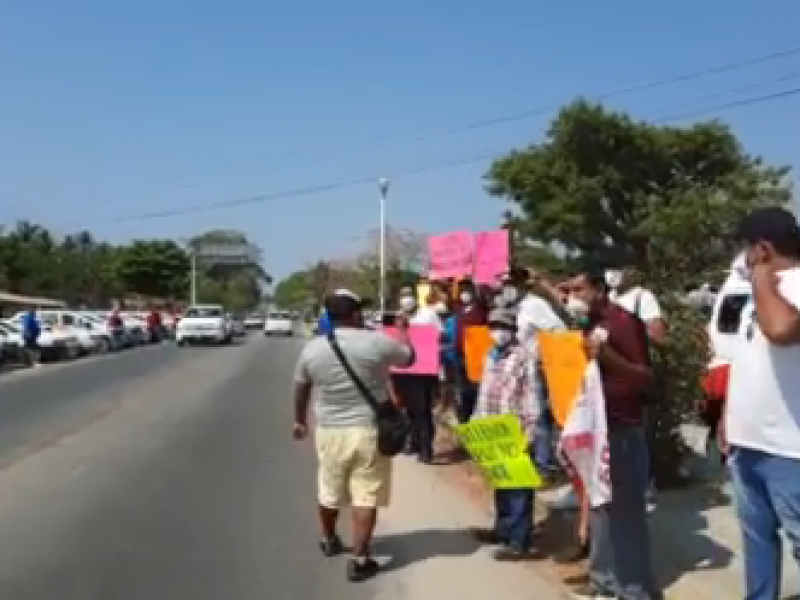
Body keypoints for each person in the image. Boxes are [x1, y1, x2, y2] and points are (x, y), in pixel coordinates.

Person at [292, 289, 414, 582]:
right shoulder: (377, 342)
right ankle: (360, 559)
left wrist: (299, 420)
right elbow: (408, 359)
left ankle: (329, 539)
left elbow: (301, 386)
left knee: (329, 490)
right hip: (370, 430)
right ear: (356, 314)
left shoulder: (313, 349)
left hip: (330, 430)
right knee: (366, 493)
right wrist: (401, 330)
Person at [567, 268, 659, 600]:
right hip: (598, 429)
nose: (573, 296)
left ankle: (634, 591)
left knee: (626, 515)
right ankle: (604, 582)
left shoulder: (622, 323)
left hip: (623, 430)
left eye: (579, 289)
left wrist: (608, 357)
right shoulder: (591, 323)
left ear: (599, 289)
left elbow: (645, 378)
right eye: (570, 290)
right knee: (601, 509)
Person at [725, 207, 800, 600]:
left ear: (763, 249)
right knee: (757, 543)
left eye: (746, 248)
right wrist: (728, 421)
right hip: (749, 443)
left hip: (790, 450)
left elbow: (782, 330)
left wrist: (760, 278)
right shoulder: (761, 289)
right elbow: (747, 359)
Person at [470, 308, 541, 561]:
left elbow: (532, 394)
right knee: (501, 481)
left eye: (503, 326)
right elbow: (484, 392)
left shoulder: (523, 356)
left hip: (515, 428)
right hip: (492, 427)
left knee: (519, 487)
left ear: (512, 329)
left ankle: (519, 540)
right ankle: (502, 529)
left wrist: (530, 432)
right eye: (493, 326)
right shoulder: (490, 355)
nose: (497, 332)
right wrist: (475, 424)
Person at [392, 285, 440, 463]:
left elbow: (440, 336)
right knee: (409, 409)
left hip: (423, 371)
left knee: (423, 410)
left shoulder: (428, 314)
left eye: (409, 295)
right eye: (403, 295)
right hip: (403, 370)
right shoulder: (397, 316)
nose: (407, 299)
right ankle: (414, 442)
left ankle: (427, 450)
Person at [453, 280, 488, 423]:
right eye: (462, 291)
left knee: (476, 389)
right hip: (460, 355)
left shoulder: (479, 308)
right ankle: (466, 419)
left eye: (467, 291)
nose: (464, 294)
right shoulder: (459, 309)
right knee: (463, 390)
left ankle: (478, 418)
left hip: (476, 355)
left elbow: (484, 293)